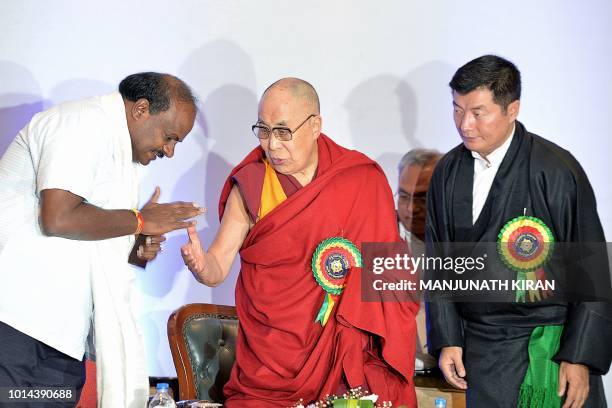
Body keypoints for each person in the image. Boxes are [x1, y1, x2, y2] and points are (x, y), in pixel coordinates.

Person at [181, 78, 418, 407]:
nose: (272, 145)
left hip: (344, 360)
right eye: (263, 130)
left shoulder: (361, 179)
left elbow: (391, 274)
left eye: (283, 131)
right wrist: (201, 265)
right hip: (270, 366)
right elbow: (217, 266)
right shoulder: (253, 183)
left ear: (316, 125)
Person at [0, 72, 204, 408]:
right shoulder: (81, 123)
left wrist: (134, 246)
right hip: (16, 330)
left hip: (62, 344)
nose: (169, 151)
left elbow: (85, 234)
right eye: (170, 137)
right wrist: (139, 220)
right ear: (141, 110)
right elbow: (58, 218)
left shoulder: (117, 152)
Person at [426, 55, 612, 407]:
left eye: (478, 112)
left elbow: (592, 271)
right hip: (481, 350)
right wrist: (448, 338)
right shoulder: (448, 171)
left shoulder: (556, 171)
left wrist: (579, 357)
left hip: (551, 347)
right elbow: (440, 262)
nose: (465, 124)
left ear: (512, 109)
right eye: (456, 109)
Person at [396, 149, 442, 372]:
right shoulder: (376, 236)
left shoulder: (463, 240)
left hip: (449, 371)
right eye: (404, 196)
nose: (411, 208)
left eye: (422, 198)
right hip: (394, 367)